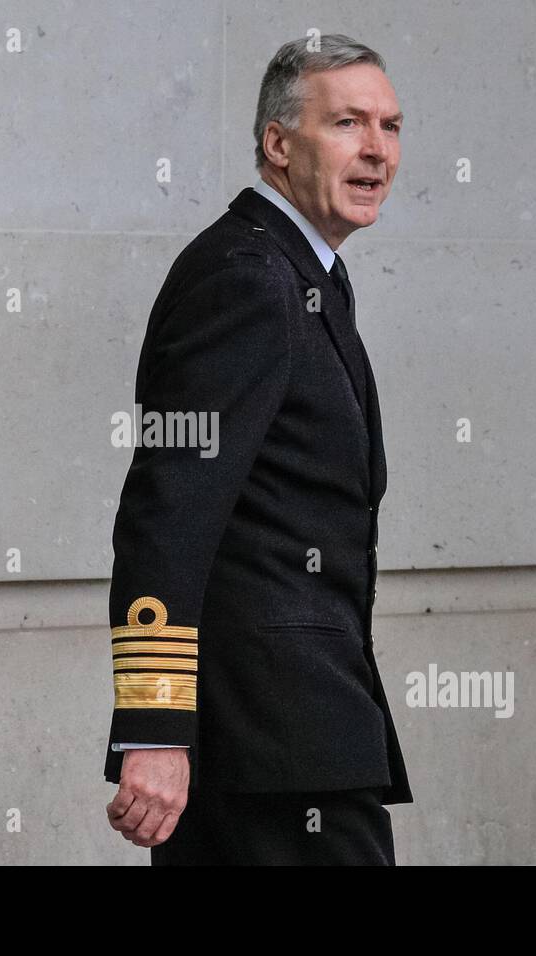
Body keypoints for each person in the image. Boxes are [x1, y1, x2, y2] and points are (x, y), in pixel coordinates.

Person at [103, 34, 413, 865]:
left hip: (281, 737)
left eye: (389, 125)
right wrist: (155, 728)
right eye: (347, 123)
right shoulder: (248, 278)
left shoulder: (304, 276)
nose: (377, 150)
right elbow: (168, 514)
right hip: (273, 744)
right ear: (279, 144)